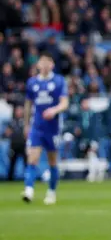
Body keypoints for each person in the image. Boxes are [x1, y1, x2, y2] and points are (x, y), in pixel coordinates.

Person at [22, 51, 69, 205]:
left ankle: (51, 192)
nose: (44, 65)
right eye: (42, 62)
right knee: (32, 157)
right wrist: (26, 124)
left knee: (52, 161)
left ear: (52, 65)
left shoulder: (58, 81)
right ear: (38, 65)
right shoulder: (32, 83)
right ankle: (29, 190)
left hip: (53, 127)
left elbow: (64, 103)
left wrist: (54, 110)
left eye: (47, 62)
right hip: (37, 126)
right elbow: (28, 104)